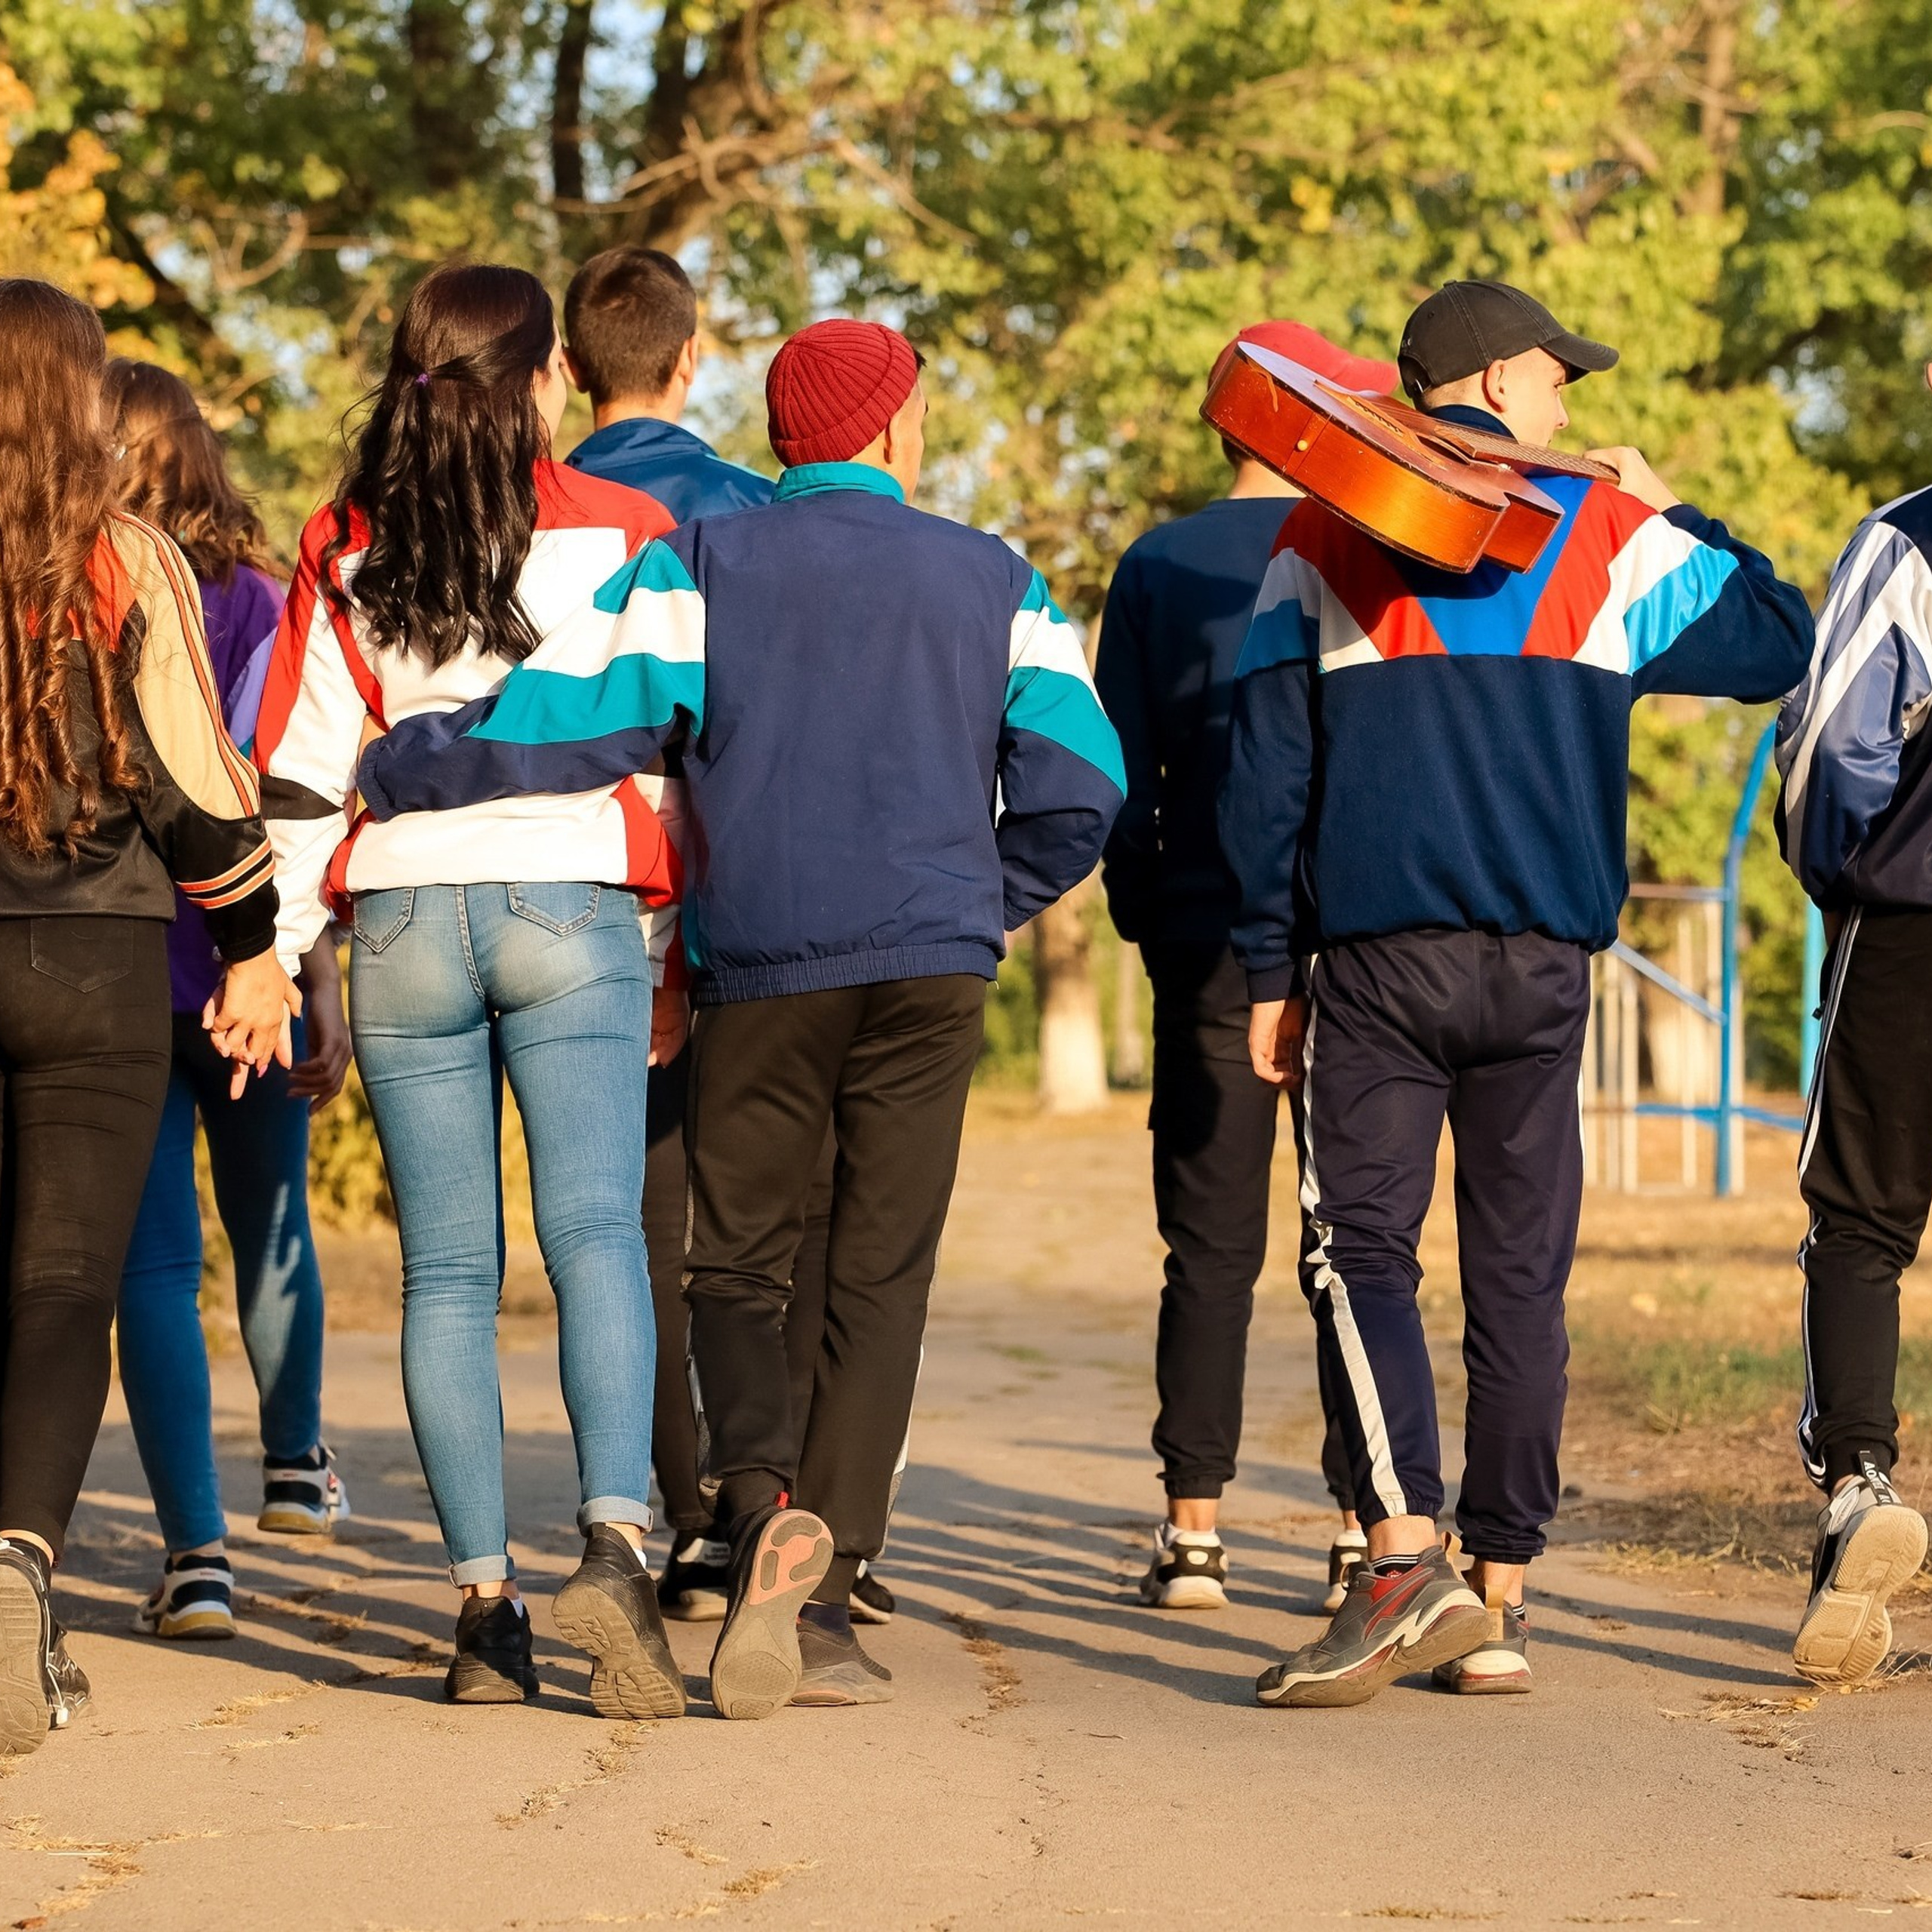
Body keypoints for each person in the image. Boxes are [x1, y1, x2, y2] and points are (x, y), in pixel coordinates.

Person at [355, 316, 1124, 1716]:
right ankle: (822, 1599)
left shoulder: (701, 560)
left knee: (736, 1264)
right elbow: (1084, 782)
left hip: (764, 961)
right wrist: (985, 900)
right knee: (882, 1271)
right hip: (931, 964)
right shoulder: (996, 576)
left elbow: (568, 717)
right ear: (893, 429)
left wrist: (408, 765)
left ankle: (756, 1502)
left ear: (781, 437)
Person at [1222, 279, 1814, 1706]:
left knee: (1358, 1252)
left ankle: (1400, 1561)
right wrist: (1670, 506)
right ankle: (1500, 1598)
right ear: (1493, 381)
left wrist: (1266, 966)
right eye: (1558, 378)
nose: (1568, 405)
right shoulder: (1606, 534)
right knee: (1521, 1278)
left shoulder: (1325, 527)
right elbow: (1779, 637)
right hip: (1549, 968)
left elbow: (1265, 768)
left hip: (1382, 959)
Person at [254, 260, 691, 1717]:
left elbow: (299, 770)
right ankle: (616, 1550)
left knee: (445, 1273)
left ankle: (484, 1617)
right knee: (596, 1238)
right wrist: (673, 946)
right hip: (570, 898)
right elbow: (668, 749)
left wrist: (279, 954)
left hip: (401, 923)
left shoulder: (344, 540)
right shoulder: (628, 530)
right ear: (549, 378)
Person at [558, 248, 894, 1623]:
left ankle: (685, 1520)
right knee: (781, 1216)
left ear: (569, 368)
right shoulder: (752, 514)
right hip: (753, 906)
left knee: (635, 1217)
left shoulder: (536, 514)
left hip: (588, 900)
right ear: (692, 358)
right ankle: (778, 1512)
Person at [0, 278, 296, 1755]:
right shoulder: (127, 557)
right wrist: (254, 947)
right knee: (65, 1289)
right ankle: (17, 1576)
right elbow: (192, 783)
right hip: (97, 958)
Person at [1097, 321, 1396, 1616]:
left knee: (1208, 1244)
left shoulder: (1156, 564)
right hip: (1348, 934)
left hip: (1208, 939)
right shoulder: (1360, 550)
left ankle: (1195, 1534)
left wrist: (1149, 911)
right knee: (1354, 1241)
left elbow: (1117, 772)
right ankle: (1361, 1529)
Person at [104, 360, 354, 1644]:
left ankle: (194, 1558)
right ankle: (296, 1464)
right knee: (271, 1221)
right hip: (248, 964)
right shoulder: (261, 602)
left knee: (152, 1264)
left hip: (119, 973)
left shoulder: (78, 589)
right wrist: (315, 969)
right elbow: (280, 795)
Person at [1773, 380, 1932, 1685]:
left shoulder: (1909, 537)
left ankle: (1860, 1485)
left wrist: (1837, 875)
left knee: (1863, 1220)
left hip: (1917, 918)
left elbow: (1838, 742)